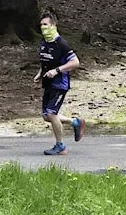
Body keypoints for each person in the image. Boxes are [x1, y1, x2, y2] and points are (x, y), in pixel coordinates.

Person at [34, 12, 84, 155]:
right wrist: (39, 74)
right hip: (48, 83)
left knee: (51, 113)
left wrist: (57, 71)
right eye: (41, 25)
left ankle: (60, 146)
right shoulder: (44, 42)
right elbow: (46, 61)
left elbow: (75, 62)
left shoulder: (61, 43)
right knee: (46, 116)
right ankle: (75, 122)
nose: (43, 28)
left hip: (59, 83)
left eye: (46, 25)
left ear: (53, 25)